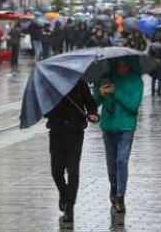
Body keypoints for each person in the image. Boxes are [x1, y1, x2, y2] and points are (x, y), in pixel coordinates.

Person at [46, 81, 98, 223]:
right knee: (56, 171)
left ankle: (70, 207)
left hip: (75, 131)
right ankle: (64, 193)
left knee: (73, 170)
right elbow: (45, 110)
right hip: (56, 132)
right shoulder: (51, 84)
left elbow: (90, 102)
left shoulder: (79, 81)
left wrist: (93, 114)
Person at [95, 60, 143, 213]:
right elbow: (94, 102)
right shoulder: (106, 78)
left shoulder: (136, 80)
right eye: (119, 63)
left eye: (125, 63)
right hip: (108, 126)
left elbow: (133, 105)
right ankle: (114, 188)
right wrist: (99, 93)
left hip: (126, 126)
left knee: (121, 161)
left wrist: (116, 92)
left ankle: (120, 196)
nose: (122, 65)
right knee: (111, 163)